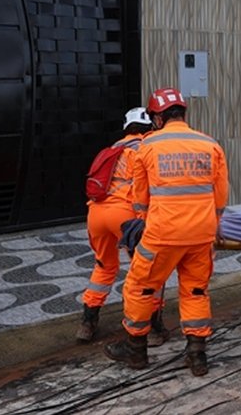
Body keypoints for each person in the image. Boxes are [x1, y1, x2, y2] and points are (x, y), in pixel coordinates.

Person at [104, 88, 229, 377]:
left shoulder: (147, 146)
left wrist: (141, 222)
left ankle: (136, 350)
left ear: (158, 117)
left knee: (140, 287)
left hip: (162, 234)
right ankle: (197, 355)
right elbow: (220, 196)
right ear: (183, 113)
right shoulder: (209, 144)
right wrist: (213, 226)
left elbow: (139, 198)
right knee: (196, 290)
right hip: (201, 234)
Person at [76, 108, 169, 346]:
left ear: (127, 128)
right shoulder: (147, 148)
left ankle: (88, 322)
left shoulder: (111, 149)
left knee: (104, 266)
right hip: (126, 216)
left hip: (96, 214)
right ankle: (153, 326)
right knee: (149, 270)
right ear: (151, 128)